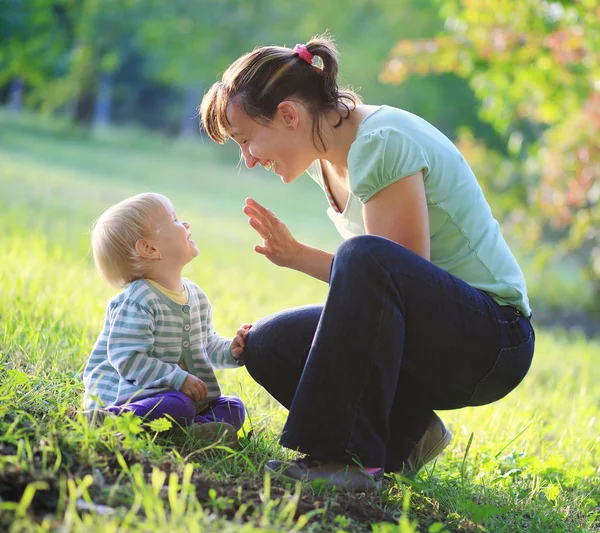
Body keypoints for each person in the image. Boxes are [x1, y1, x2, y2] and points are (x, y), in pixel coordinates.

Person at [199, 34, 535, 490]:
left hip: (493, 341)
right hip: (435, 335)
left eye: (246, 140)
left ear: (289, 115)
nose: (249, 159)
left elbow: (393, 271)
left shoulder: (380, 141)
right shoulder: (327, 158)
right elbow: (381, 285)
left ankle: (346, 463)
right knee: (268, 344)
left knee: (365, 256)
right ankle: (409, 433)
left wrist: (304, 256)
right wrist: (296, 256)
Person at [83, 192, 251, 447]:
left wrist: (231, 350)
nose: (186, 225)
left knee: (233, 407)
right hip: (132, 396)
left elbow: (205, 344)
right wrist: (176, 378)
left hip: (174, 396)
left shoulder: (195, 296)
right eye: (174, 219)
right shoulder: (139, 300)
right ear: (149, 248)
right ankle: (110, 420)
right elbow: (127, 358)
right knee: (179, 405)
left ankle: (187, 433)